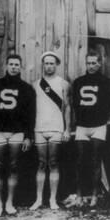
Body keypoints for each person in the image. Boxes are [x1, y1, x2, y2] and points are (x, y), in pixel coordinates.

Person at [0, 54, 36, 217]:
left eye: (17, 64)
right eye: (11, 64)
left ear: (21, 67)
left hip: (16, 132)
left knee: (13, 166)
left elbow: (30, 114)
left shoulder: (26, 88)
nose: (13, 67)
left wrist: (28, 135)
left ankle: (9, 202)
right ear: (6, 66)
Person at [69, 51, 110, 207]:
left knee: (96, 161)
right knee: (80, 161)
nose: (91, 66)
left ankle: (95, 195)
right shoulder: (78, 82)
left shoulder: (107, 82)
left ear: (99, 63)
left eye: (94, 63)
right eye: (88, 63)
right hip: (82, 126)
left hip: (99, 126)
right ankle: (80, 195)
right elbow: (74, 104)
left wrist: (101, 117)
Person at [30, 51, 71, 210]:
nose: (49, 66)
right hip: (39, 128)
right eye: (46, 63)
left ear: (56, 65)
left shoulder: (63, 84)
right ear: (43, 65)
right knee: (41, 163)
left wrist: (67, 129)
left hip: (56, 128)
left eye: (52, 63)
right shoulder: (35, 84)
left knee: (53, 163)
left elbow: (67, 108)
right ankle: (39, 199)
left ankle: (53, 199)